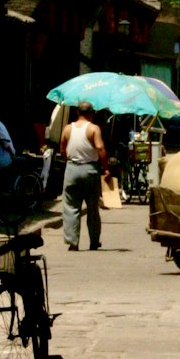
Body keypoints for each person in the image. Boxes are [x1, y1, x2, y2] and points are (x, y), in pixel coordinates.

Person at [60, 102, 108, 251]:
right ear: (91, 113)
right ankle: (94, 241)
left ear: (77, 112)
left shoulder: (68, 128)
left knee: (71, 207)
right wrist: (106, 168)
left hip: (72, 169)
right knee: (93, 207)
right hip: (90, 170)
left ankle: (73, 242)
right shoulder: (94, 129)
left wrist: (70, 161)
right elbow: (100, 148)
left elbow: (62, 149)